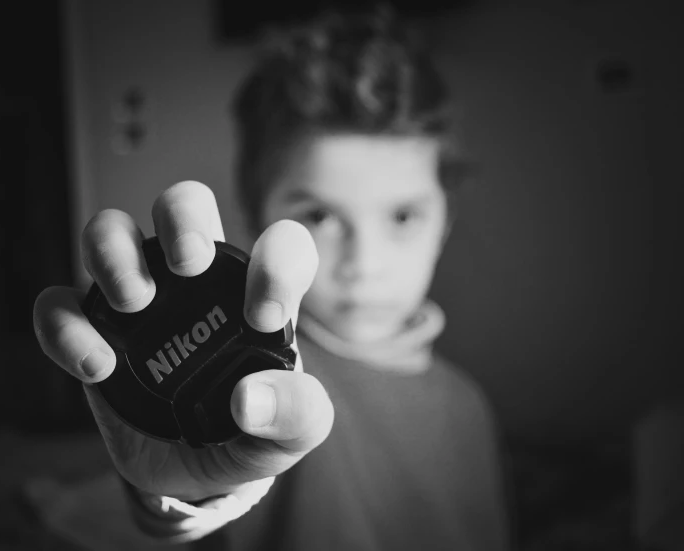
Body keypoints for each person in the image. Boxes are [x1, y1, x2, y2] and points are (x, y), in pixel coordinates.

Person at [33, 7, 510, 550]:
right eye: (320, 217)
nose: (365, 262)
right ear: (261, 220)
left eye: (402, 216)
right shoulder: (258, 388)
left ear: (444, 222)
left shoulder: (470, 406)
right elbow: (204, 503)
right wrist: (184, 497)